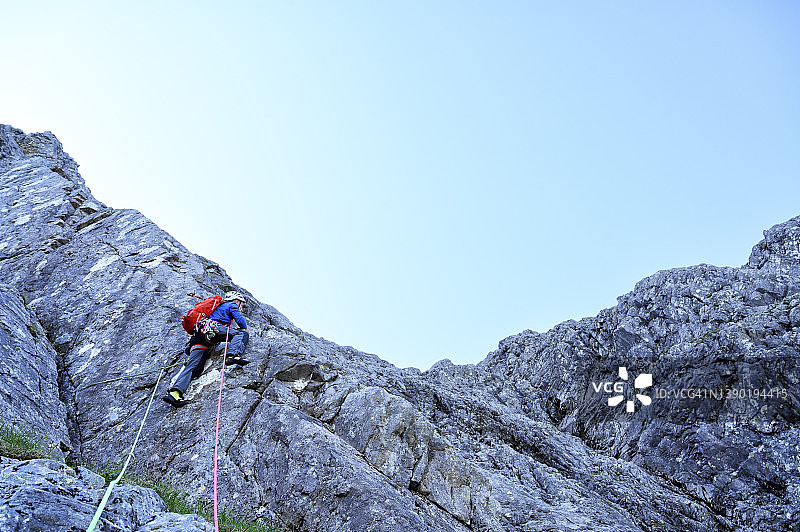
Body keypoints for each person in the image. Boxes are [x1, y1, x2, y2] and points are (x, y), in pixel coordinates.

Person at [162, 291, 251, 407]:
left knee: (193, 367)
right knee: (241, 334)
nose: (241, 307)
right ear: (237, 301)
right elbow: (240, 321)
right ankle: (232, 355)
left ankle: (174, 394)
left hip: (199, 336)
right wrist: (246, 329)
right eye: (241, 304)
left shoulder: (217, 307)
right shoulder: (231, 305)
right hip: (213, 329)